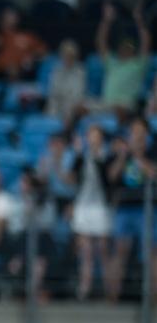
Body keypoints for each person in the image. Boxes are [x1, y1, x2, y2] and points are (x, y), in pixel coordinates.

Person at [106, 118, 157, 302]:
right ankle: (112, 297)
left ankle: (153, 299)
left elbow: (154, 173)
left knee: (152, 253)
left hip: (148, 208)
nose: (136, 135)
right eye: (133, 132)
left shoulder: (152, 151)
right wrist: (123, 156)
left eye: (140, 132)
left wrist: (138, 157)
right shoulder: (121, 151)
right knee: (119, 251)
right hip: (124, 208)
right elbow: (112, 176)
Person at [66, 125, 113, 300]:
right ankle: (84, 290)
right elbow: (71, 179)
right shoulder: (81, 157)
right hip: (83, 207)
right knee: (86, 253)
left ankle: (110, 291)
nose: (92, 139)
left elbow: (109, 179)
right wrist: (78, 155)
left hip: (101, 207)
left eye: (96, 136)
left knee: (103, 251)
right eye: (90, 136)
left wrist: (97, 157)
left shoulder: (106, 156)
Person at [97, 2, 151, 116]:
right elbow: (100, 42)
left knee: (119, 110)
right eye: (123, 47)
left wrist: (140, 21)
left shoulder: (138, 65)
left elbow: (146, 42)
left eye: (129, 48)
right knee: (80, 107)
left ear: (133, 51)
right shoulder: (112, 62)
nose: (126, 50)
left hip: (126, 106)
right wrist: (106, 21)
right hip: (105, 104)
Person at [46, 39, 86, 123]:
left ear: (75, 56)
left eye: (71, 55)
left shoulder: (80, 71)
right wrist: (52, 115)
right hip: (57, 110)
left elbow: (77, 95)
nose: (68, 58)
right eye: (66, 55)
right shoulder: (56, 71)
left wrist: (68, 114)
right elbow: (53, 96)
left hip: (74, 111)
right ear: (61, 55)